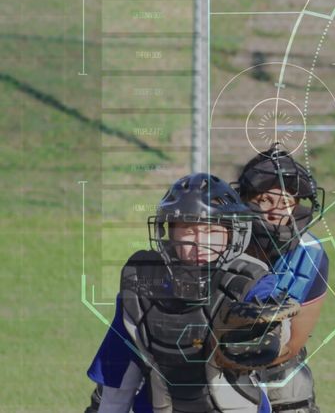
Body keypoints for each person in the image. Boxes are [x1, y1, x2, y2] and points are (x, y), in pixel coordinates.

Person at [86, 173, 301, 412]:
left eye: (211, 231)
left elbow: (278, 326)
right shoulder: (142, 287)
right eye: (188, 230)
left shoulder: (251, 282)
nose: (200, 243)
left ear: (232, 233)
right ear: (169, 233)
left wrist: (269, 334)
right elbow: (118, 378)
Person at [235, 144, 329, 413]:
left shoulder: (309, 255)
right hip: (214, 365)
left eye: (286, 202)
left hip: (276, 366)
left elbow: (293, 343)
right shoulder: (220, 244)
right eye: (264, 200)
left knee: (291, 385)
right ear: (244, 201)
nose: (276, 211)